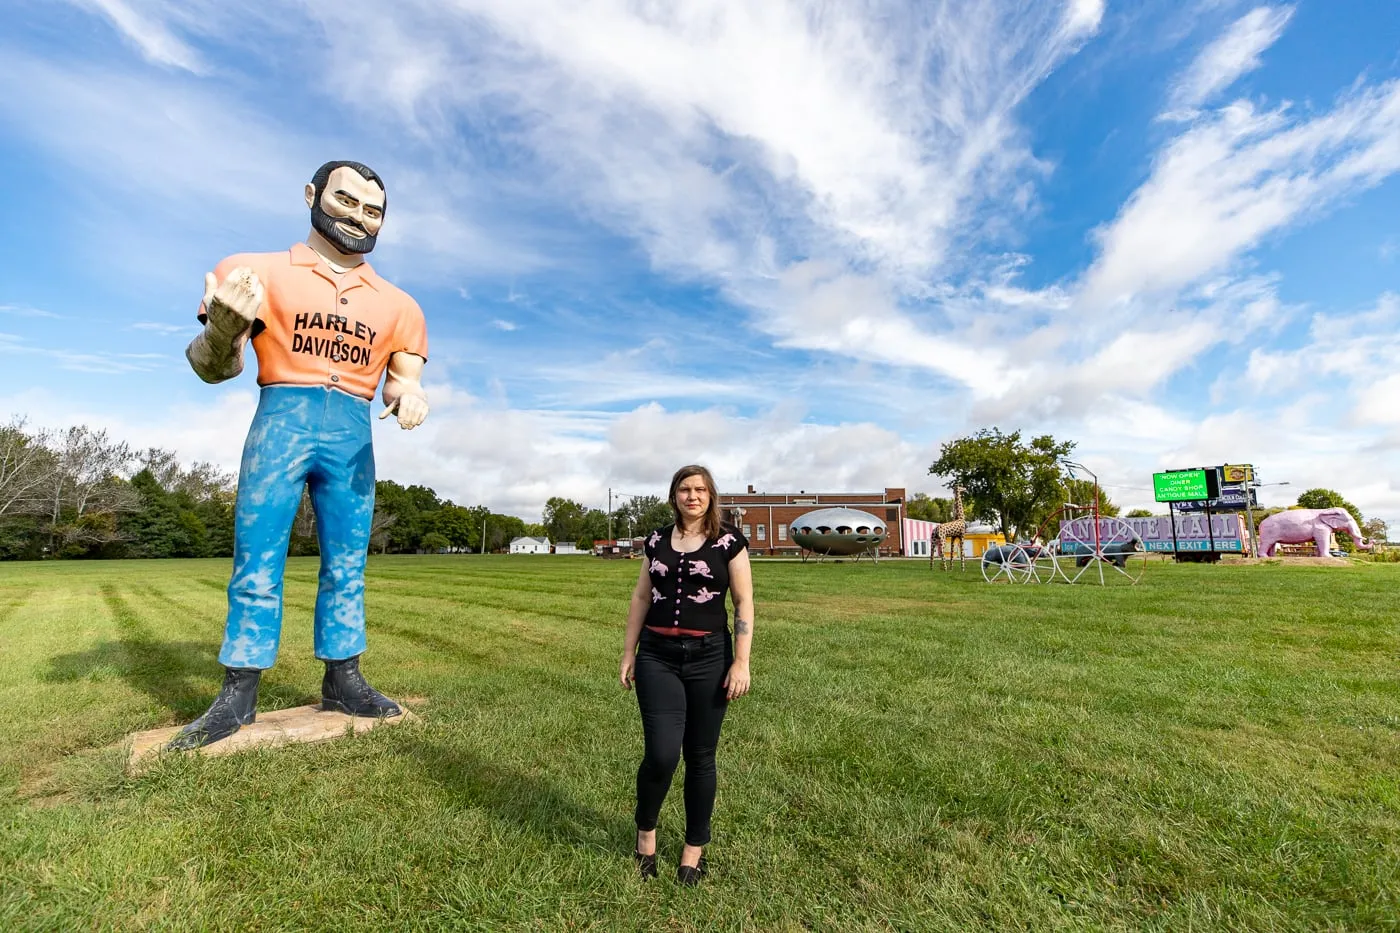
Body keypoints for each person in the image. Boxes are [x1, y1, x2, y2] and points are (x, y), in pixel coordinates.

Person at [167, 159, 430, 751]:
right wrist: (222, 329)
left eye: (372, 210)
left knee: (348, 563)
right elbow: (214, 367)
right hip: (281, 416)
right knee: (257, 557)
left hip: (352, 430)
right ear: (312, 195)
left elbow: (401, 379)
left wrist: (410, 395)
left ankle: (344, 678)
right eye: (345, 201)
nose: (357, 217)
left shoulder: (399, 305)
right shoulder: (252, 273)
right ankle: (238, 692)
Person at [620, 465, 754, 884]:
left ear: (711, 495)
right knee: (661, 754)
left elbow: (744, 602)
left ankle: (693, 850)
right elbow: (642, 595)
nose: (692, 496)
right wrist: (629, 652)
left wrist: (741, 661)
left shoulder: (729, 541)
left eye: (699, 489)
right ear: (673, 495)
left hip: (710, 656)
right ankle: (646, 836)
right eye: (684, 489)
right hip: (657, 656)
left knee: (700, 756)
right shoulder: (656, 540)